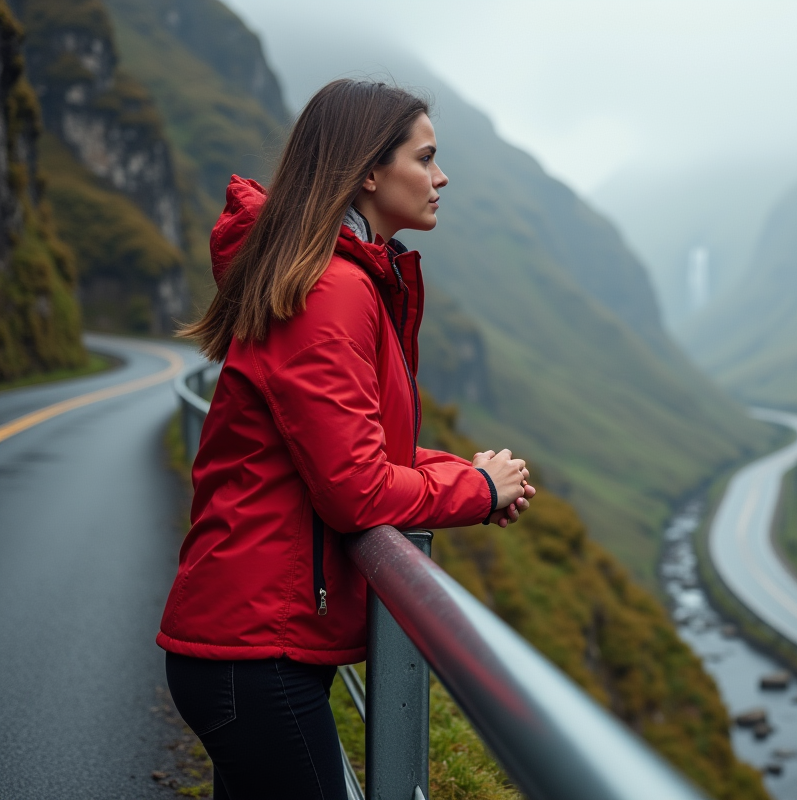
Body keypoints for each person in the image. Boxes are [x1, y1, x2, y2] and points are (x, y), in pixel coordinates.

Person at [158, 79, 536, 800]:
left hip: (255, 642)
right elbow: (356, 487)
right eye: (426, 157)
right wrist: (476, 489)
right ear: (369, 171)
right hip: (256, 649)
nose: (441, 176)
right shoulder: (333, 291)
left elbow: (361, 446)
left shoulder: (338, 278)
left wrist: (473, 479)